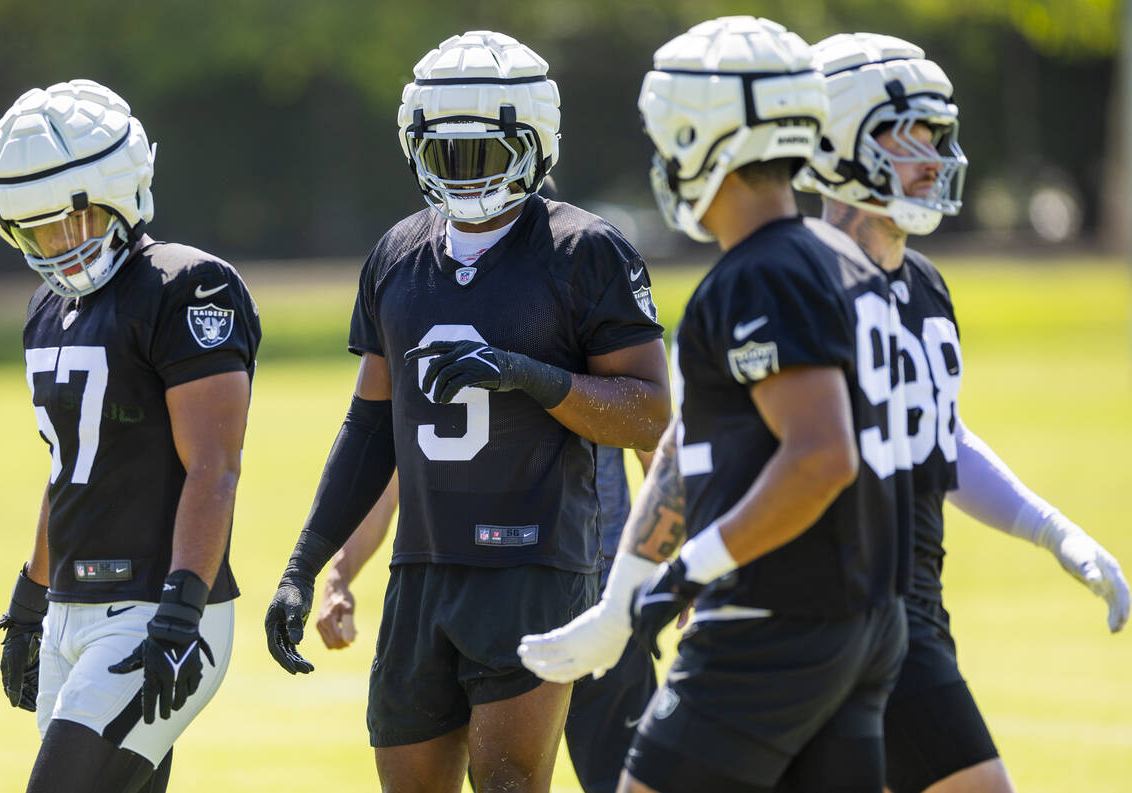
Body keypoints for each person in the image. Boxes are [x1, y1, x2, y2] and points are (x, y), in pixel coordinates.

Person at [263, 30, 670, 793]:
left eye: (483, 153)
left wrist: (530, 377)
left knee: (510, 784)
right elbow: (369, 432)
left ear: (535, 142)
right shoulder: (395, 254)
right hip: (423, 569)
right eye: (444, 152)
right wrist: (305, 565)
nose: (462, 174)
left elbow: (651, 414)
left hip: (536, 563)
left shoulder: (586, 250)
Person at [520, 16, 915, 792]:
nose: (666, 160)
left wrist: (685, 576)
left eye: (672, 138)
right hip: (862, 618)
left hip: (772, 618)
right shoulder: (838, 262)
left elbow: (822, 454)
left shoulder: (754, 278)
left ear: (709, 139)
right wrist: (622, 598)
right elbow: (685, 451)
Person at [799, 33, 1130, 793]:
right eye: (909, 135)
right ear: (834, 141)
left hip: (913, 608)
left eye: (937, 135)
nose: (932, 157)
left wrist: (1054, 531)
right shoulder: (793, 285)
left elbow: (933, 433)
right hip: (827, 613)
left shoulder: (922, 286)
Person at [0, 79, 260, 793]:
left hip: (154, 607)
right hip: (72, 608)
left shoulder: (185, 285)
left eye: (70, 222)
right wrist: (28, 599)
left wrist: (180, 609)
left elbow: (214, 467)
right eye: (37, 230)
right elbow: (69, 467)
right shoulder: (45, 309)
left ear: (121, 190)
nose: (58, 247)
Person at [316, 448, 658, 793]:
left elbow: (658, 452)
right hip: (496, 599)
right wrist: (338, 578)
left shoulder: (605, 390)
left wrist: (678, 574)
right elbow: (391, 474)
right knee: (501, 783)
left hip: (610, 593)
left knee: (627, 782)